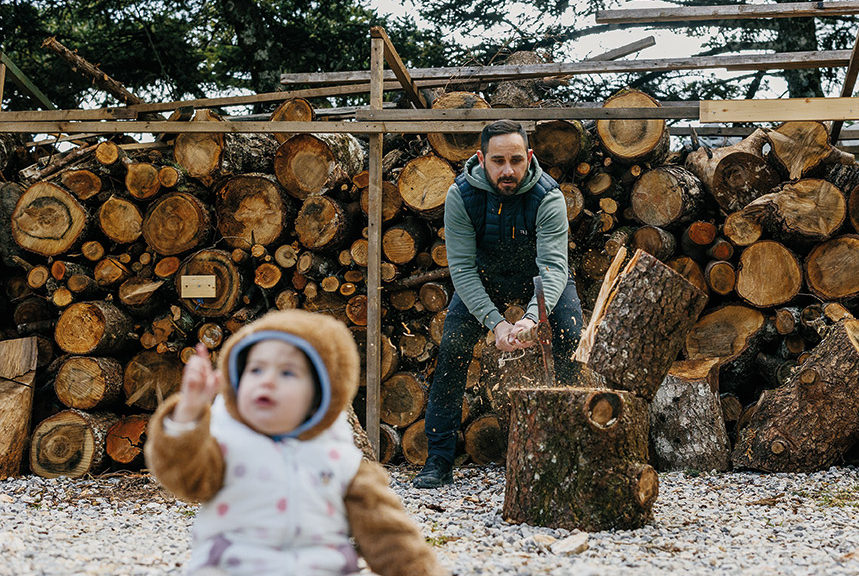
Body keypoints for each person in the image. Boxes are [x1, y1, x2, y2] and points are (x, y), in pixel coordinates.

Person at [145, 309, 446, 576]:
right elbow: (182, 477)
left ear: (319, 396)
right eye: (256, 369)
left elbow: (387, 532)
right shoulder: (223, 442)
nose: (267, 381)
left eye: (287, 372)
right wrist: (187, 416)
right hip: (233, 564)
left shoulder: (340, 459)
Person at [413, 119, 583, 489]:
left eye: (517, 160)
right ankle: (438, 458)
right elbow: (460, 267)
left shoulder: (548, 196)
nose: (508, 170)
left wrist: (531, 319)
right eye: (498, 161)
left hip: (538, 277)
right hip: (483, 278)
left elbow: (554, 267)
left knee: (570, 332)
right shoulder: (461, 196)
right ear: (481, 159)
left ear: (529, 157)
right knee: (453, 347)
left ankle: (569, 449)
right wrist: (496, 322)